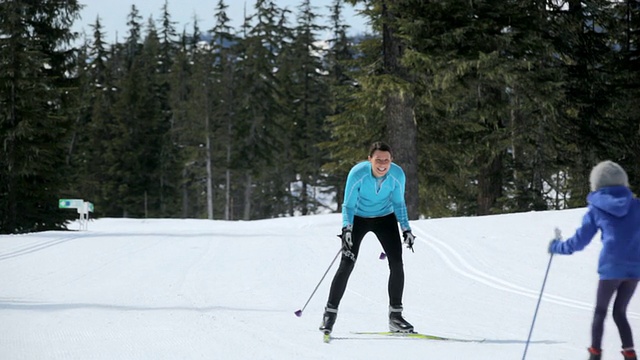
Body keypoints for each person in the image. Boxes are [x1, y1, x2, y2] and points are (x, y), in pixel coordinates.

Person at [319, 141, 416, 335]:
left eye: (386, 160)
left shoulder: (397, 175)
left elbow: (399, 203)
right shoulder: (358, 174)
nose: (382, 164)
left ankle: (395, 317)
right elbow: (348, 205)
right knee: (347, 263)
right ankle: (329, 314)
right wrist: (346, 229)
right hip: (358, 219)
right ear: (369, 159)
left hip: (384, 218)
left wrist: (406, 229)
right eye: (378, 159)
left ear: (391, 160)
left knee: (397, 264)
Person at [549, 160, 640, 360]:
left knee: (600, 312)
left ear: (596, 184)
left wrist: (557, 247)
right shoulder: (637, 206)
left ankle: (595, 355)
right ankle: (630, 355)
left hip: (610, 269)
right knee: (620, 312)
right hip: (634, 269)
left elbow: (579, 242)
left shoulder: (596, 209)